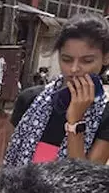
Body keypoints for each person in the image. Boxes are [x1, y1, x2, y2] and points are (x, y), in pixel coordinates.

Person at [7, 15, 109, 168]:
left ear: (106, 59)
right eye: (67, 59)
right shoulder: (30, 100)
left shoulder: (105, 116)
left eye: (87, 61)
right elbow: (8, 159)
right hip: (19, 190)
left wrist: (75, 121)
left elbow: (85, 180)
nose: (74, 69)